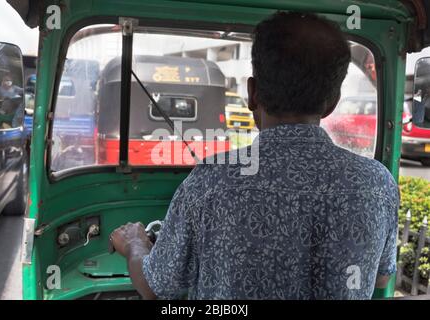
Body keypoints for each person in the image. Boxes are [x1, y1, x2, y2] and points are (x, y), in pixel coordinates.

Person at [110, 12, 399, 299]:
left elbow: (155, 288)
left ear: (252, 93)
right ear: (332, 102)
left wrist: (136, 243)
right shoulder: (377, 184)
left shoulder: (211, 181)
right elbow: (382, 277)